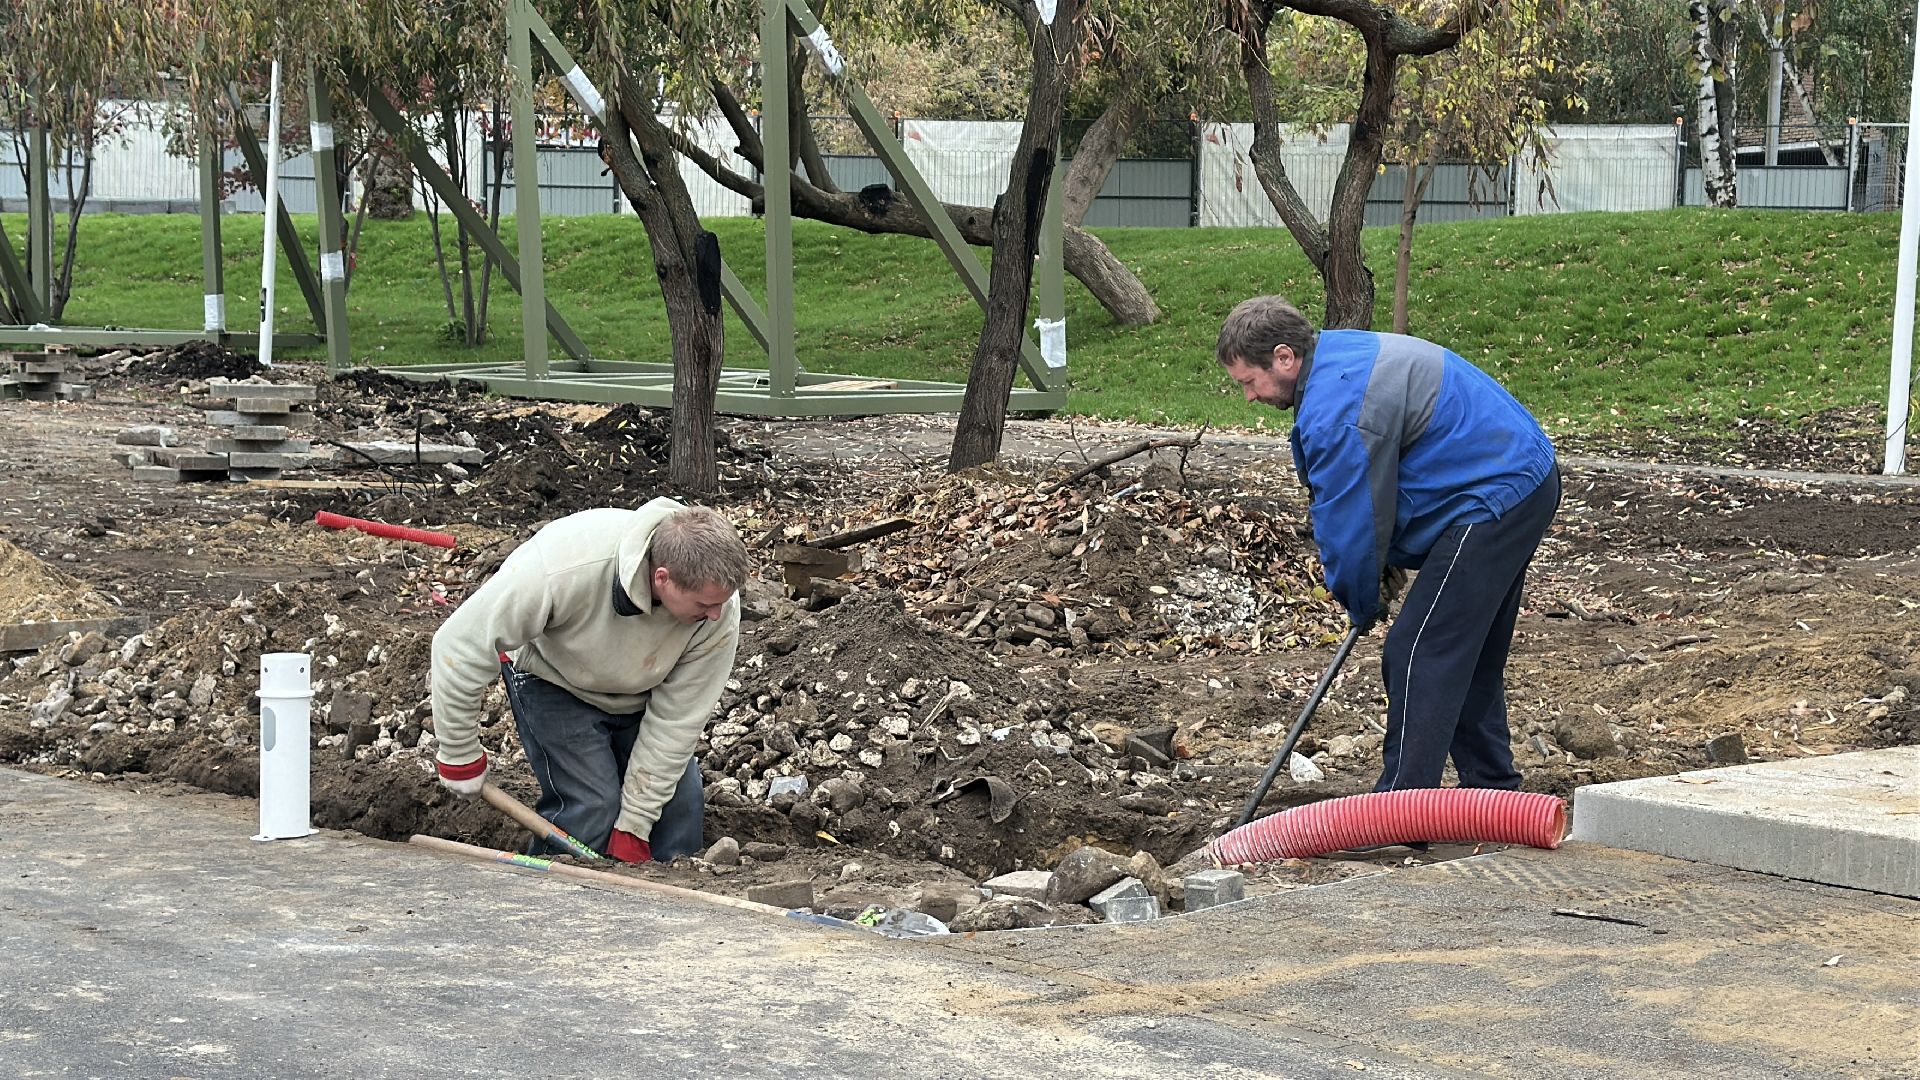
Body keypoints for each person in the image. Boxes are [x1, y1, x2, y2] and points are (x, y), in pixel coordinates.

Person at [1216, 296, 1561, 792]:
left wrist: (1362, 594)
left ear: (1285, 357)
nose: (1249, 396)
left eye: (1250, 381)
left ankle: (1402, 807)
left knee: (1416, 650)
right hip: (1520, 477)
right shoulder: (1336, 356)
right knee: (1467, 649)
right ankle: (1492, 789)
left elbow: (1349, 516)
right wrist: (1388, 557)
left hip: (1495, 494)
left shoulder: (1336, 411)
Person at [428, 498, 749, 863]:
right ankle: (541, 906)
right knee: (593, 806)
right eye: (704, 605)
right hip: (553, 679)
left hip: (638, 692)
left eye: (721, 603)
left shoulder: (717, 610)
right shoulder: (564, 566)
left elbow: (678, 719)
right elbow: (460, 644)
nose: (716, 614)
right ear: (663, 579)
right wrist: (458, 753)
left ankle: (662, 913)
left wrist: (634, 826)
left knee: (677, 807)